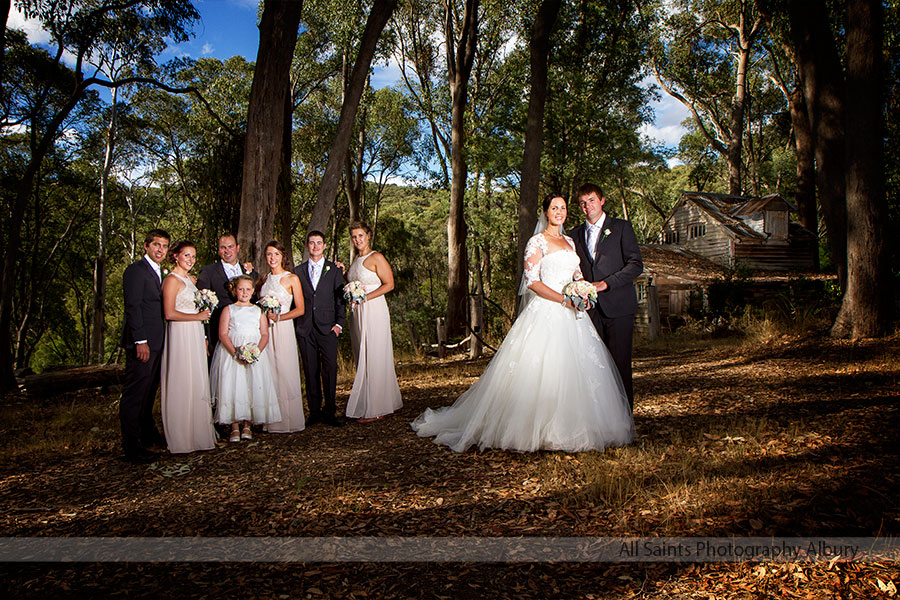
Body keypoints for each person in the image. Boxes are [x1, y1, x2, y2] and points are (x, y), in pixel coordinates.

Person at [412, 194, 633, 453]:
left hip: (574, 314)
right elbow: (532, 282)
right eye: (554, 208)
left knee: (579, 371)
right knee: (544, 370)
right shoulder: (536, 242)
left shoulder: (571, 241)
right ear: (546, 212)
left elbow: (577, 273)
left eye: (562, 208)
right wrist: (564, 298)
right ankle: (535, 428)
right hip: (548, 311)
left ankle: (581, 425)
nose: (559, 212)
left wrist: (582, 289)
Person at [568, 183, 643, 410]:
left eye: (591, 200)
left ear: (601, 201)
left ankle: (624, 420)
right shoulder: (573, 235)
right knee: (593, 366)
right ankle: (599, 419)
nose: (587, 206)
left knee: (620, 365)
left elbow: (635, 265)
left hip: (618, 307)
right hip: (588, 312)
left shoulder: (621, 228)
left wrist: (606, 284)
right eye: (582, 202)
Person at [160, 240, 217, 454]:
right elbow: (169, 313)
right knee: (182, 380)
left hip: (194, 333)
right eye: (186, 256)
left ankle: (197, 434)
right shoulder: (172, 281)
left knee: (196, 379)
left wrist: (202, 333)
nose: (190, 260)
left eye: (193, 256)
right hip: (180, 334)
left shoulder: (190, 281)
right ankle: (181, 437)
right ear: (175, 256)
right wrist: (198, 316)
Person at [119, 229, 170, 464]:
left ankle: (147, 436)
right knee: (135, 395)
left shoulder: (159, 272)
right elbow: (133, 307)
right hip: (143, 343)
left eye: (164, 246)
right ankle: (132, 446)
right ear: (146, 246)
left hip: (158, 342)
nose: (160, 249)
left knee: (149, 393)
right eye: (156, 245)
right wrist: (140, 341)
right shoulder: (136, 271)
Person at [210, 275, 281, 442]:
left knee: (251, 386)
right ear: (234, 291)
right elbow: (223, 334)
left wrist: (256, 351)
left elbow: (264, 334)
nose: (244, 292)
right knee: (234, 387)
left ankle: (248, 425)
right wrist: (235, 352)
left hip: (255, 354)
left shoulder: (258, 311)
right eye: (241, 289)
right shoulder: (228, 309)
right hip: (232, 354)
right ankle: (234, 426)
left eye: (248, 289)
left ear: (253, 291)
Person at [344, 221, 402, 422]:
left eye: (361, 235)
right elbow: (354, 280)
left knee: (375, 354)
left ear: (368, 235)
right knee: (363, 355)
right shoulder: (356, 259)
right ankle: (371, 402)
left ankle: (377, 407)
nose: (357, 240)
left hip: (374, 310)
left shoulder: (376, 257)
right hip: (357, 312)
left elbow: (390, 284)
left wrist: (365, 298)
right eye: (354, 236)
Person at [293, 231, 347, 427]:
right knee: (310, 370)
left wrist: (339, 324)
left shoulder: (334, 270)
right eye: (312, 243)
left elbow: (340, 299)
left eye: (319, 243)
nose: (315, 246)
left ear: (324, 246)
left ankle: (330, 411)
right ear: (307, 246)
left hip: (328, 328)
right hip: (306, 328)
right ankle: (314, 411)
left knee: (330, 369)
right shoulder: (297, 271)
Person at [258, 241, 306, 433]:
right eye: (269, 254)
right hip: (266, 331)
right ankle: (271, 419)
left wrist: (280, 317)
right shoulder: (264, 279)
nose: (272, 258)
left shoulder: (292, 278)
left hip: (283, 328)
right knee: (269, 372)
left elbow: (300, 309)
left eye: (276, 254)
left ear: (282, 256)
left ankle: (289, 419)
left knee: (285, 371)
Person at [197, 234, 257, 357]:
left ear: (237, 248)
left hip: (247, 334)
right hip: (217, 332)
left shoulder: (250, 272)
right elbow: (202, 307)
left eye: (230, 246)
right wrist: (204, 336)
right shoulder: (208, 272)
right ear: (218, 250)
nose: (227, 251)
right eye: (223, 247)